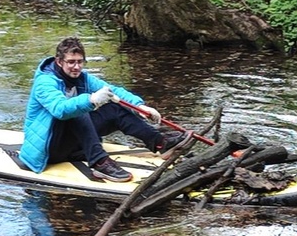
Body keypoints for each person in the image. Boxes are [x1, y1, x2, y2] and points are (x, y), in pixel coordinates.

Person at [18, 37, 188, 182]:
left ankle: (160, 142)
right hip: (49, 151)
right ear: (59, 61)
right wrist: (91, 99)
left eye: (80, 62)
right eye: (71, 62)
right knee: (77, 111)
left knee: (114, 107)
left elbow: (114, 92)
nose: (76, 67)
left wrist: (140, 107)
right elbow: (60, 109)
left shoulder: (82, 78)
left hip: (72, 146)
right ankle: (100, 163)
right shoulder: (45, 82)